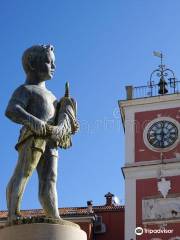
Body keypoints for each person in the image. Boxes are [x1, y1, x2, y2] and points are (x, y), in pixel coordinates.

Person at [5, 45, 78, 224]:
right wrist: (34, 122)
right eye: (48, 61)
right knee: (24, 172)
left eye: (54, 62)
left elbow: (60, 121)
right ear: (32, 63)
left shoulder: (53, 96)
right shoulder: (25, 90)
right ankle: (13, 214)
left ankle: (53, 215)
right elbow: (12, 110)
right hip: (32, 136)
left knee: (50, 177)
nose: (53, 66)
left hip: (51, 140)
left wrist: (68, 119)